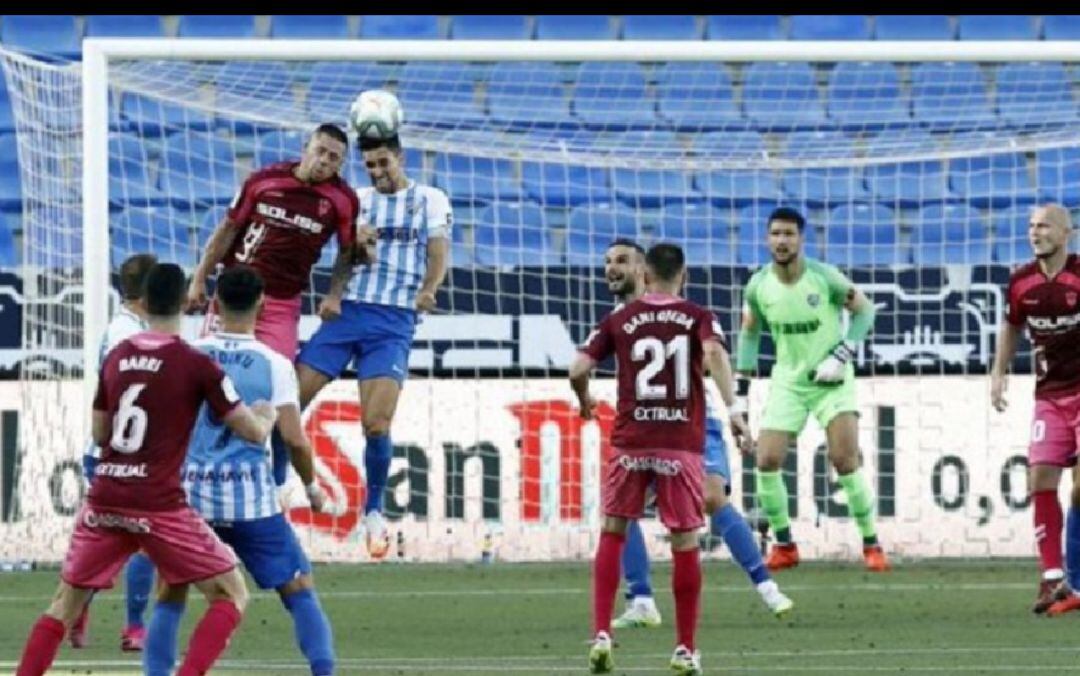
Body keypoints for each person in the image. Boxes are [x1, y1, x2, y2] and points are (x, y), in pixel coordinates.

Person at [15, 263, 277, 676]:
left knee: (64, 605)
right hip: (157, 502)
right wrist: (266, 417)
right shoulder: (196, 364)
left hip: (105, 495)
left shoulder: (118, 355)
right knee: (231, 593)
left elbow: (100, 434)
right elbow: (251, 432)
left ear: (143, 302)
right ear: (188, 302)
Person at [144, 265, 336, 676]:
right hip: (251, 503)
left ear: (214, 303)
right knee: (299, 588)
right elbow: (294, 439)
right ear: (262, 304)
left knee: (171, 589)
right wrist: (311, 485)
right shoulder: (275, 364)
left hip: (190, 498)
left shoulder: (187, 354)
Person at [571, 243, 750, 675]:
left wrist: (585, 400)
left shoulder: (618, 318)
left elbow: (577, 369)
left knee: (614, 531)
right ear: (683, 275)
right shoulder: (698, 316)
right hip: (681, 444)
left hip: (632, 441)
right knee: (684, 541)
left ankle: (601, 634)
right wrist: (735, 412)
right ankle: (685, 649)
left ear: (645, 276)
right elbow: (713, 354)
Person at [598, 240, 793, 631]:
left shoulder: (687, 314)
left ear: (644, 271)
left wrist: (734, 409)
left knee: (710, 496)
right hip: (643, 429)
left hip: (691, 424)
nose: (610, 269)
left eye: (621, 261)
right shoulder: (618, 318)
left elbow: (714, 356)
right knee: (619, 511)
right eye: (607, 262)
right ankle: (641, 600)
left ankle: (766, 586)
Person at [295, 124, 451, 559]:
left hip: (394, 321)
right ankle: (274, 488)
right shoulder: (358, 201)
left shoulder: (430, 200)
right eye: (370, 166)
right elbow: (345, 254)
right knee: (288, 402)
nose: (378, 171)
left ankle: (374, 511)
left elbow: (438, 251)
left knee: (376, 423)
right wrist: (333, 294)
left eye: (383, 163)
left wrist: (429, 288)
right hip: (348, 314)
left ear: (401, 159)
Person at [185, 123, 366, 487]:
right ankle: (194, 471)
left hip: (282, 305)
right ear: (305, 148)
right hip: (235, 295)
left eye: (334, 158)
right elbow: (228, 230)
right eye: (320, 151)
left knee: (279, 390)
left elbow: (347, 252)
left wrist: (334, 295)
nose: (324, 161)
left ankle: (272, 483)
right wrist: (199, 276)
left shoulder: (342, 200)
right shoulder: (263, 181)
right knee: (207, 382)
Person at [737, 207, 888, 572]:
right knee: (766, 459)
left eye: (789, 234)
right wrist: (740, 397)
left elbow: (865, 311)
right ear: (766, 239)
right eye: (775, 234)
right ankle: (785, 545)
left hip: (832, 381)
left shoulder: (824, 278)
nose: (782, 241)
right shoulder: (758, 285)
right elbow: (750, 335)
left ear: (801, 239)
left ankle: (871, 544)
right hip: (788, 382)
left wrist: (842, 352)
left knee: (844, 460)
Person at [989, 204, 1080, 615]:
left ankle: (1075, 581)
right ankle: (1051, 580)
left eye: (1043, 225)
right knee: (1039, 479)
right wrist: (998, 372)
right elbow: (1011, 325)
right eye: (1030, 226)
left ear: (1066, 233)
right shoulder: (1021, 283)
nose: (1034, 232)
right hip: (1048, 396)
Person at [72, 253, 158, 651]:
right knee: (140, 539)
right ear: (149, 290)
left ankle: (81, 609)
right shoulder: (127, 334)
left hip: (114, 450)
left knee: (111, 539)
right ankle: (134, 627)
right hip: (120, 453)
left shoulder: (130, 327)